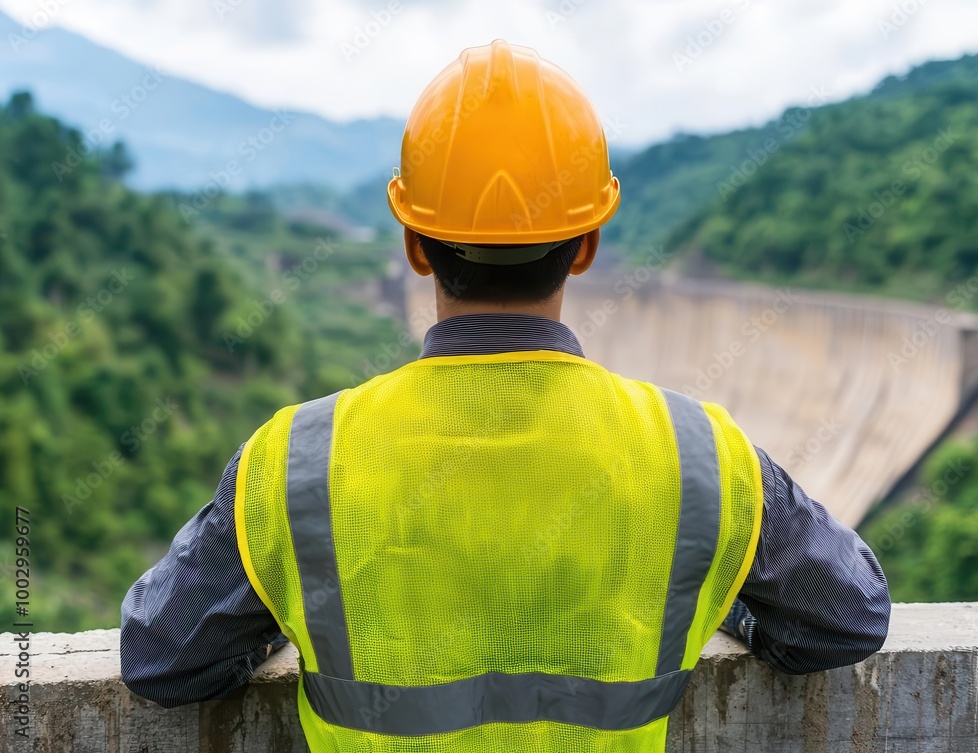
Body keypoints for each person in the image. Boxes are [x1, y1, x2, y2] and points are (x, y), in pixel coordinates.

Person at [121, 39, 890, 751]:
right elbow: (846, 617)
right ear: (587, 243)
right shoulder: (700, 455)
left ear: (414, 245)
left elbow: (160, 658)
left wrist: (285, 621)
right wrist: (712, 597)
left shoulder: (295, 461)